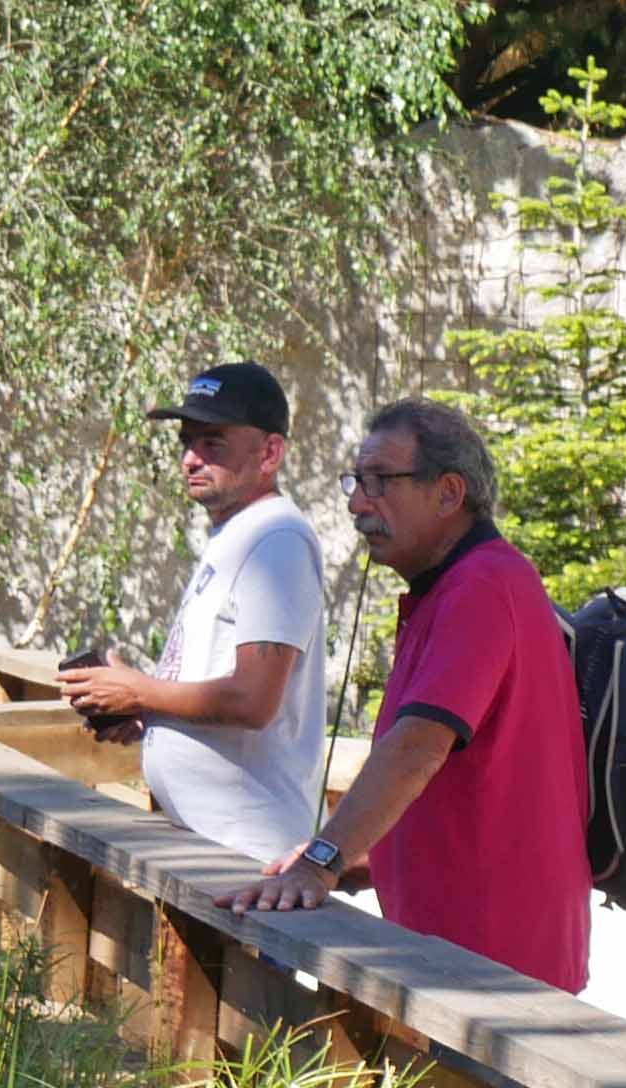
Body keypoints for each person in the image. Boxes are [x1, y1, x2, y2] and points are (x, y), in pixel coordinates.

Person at [231, 399, 590, 988]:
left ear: (448, 494)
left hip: (494, 964)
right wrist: (352, 856)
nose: (357, 503)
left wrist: (322, 860)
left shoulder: (481, 585)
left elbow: (416, 749)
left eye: (380, 481)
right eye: (356, 481)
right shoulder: (458, 587)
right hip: (465, 948)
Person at [54, 360, 327, 861]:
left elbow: (253, 700)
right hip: (207, 844)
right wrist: (146, 713)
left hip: (249, 857)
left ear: (271, 452)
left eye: (213, 443)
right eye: (187, 441)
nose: (190, 460)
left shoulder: (279, 542)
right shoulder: (238, 534)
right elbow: (215, 687)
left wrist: (138, 690)